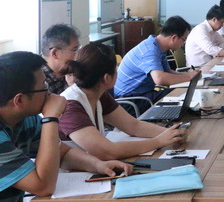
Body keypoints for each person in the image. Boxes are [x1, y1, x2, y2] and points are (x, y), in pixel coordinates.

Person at [0, 52, 132, 202]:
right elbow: (43, 187)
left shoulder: (27, 119)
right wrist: (51, 118)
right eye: (44, 87)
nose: (49, 93)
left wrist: (98, 165)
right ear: (19, 100)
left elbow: (63, 153)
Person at [58, 43, 187, 160]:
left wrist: (170, 133)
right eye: (116, 70)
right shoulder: (70, 106)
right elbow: (108, 152)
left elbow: (133, 126)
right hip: (72, 174)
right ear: (107, 78)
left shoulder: (98, 94)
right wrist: (158, 141)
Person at [114, 16, 199, 114]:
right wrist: (189, 77)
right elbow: (160, 79)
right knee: (179, 95)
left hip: (141, 94)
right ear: (174, 37)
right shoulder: (150, 50)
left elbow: (168, 72)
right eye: (184, 40)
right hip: (130, 101)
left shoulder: (158, 46)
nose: (183, 44)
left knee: (182, 94)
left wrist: (190, 75)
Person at [40, 24, 80, 94]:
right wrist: (72, 88)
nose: (78, 55)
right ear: (55, 53)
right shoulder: (39, 83)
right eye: (74, 50)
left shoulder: (68, 69)